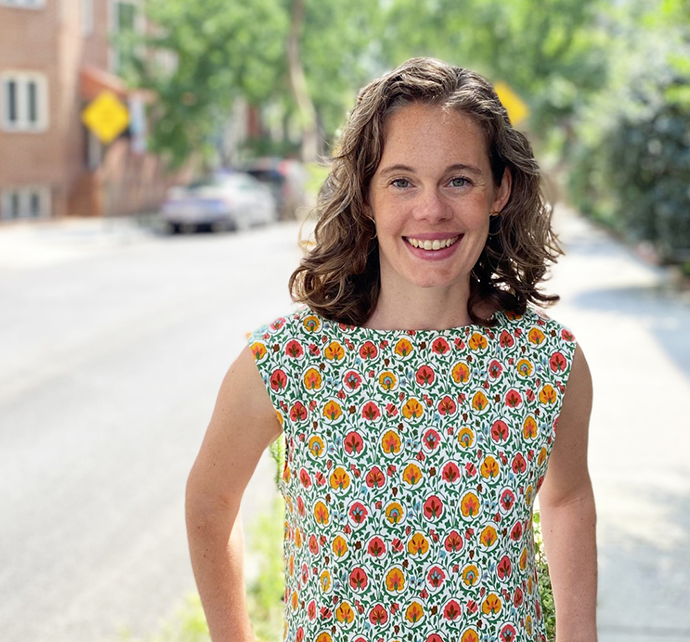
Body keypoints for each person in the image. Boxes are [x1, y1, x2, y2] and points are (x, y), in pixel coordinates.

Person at [186, 57, 597, 642]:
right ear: (367, 196)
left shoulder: (548, 362)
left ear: (500, 190)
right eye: (402, 181)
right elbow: (209, 499)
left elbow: (568, 499)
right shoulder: (287, 362)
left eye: (460, 179)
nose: (431, 209)